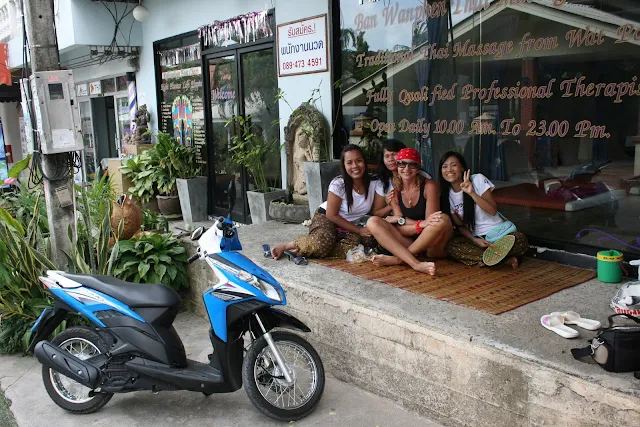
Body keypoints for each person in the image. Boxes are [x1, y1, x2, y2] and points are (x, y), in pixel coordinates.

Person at [271, 144, 385, 260]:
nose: (355, 166)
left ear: (365, 162)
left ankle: (307, 247)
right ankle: (289, 245)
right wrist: (359, 230)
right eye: (349, 162)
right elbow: (331, 214)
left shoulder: (375, 182)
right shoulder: (338, 184)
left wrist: (392, 206)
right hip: (326, 217)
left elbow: (377, 211)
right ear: (344, 166)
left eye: (359, 161)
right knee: (324, 242)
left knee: (369, 243)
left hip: (349, 225)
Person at [366, 148, 453, 275]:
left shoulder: (429, 186)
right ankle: (415, 263)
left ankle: (398, 259)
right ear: (397, 166)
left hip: (432, 245)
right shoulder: (395, 192)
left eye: (412, 164)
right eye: (402, 164)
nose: (406, 168)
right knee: (372, 221)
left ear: (418, 168)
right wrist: (419, 224)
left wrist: (409, 222)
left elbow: (431, 224)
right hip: (409, 242)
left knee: (442, 219)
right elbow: (400, 228)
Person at [439, 151, 528, 269]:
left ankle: (490, 259)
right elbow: (461, 227)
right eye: (445, 166)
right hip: (479, 241)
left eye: (454, 165)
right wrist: (475, 240)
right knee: (452, 246)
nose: (449, 169)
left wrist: (472, 193)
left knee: (520, 240)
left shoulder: (477, 179)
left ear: (462, 167)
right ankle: (501, 260)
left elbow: (492, 211)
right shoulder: (447, 195)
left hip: (501, 236)